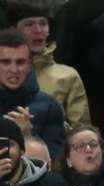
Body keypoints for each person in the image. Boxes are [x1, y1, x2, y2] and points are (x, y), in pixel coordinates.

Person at [9, 2, 91, 130]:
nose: (38, 30)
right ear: (14, 31)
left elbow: (82, 134)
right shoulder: (3, 74)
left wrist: (52, 125)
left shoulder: (68, 76)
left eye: (43, 23)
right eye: (29, 24)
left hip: (53, 148)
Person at [0, 28, 65, 157]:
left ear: (30, 64)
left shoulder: (49, 106)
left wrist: (28, 137)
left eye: (20, 62)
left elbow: (54, 162)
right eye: (6, 62)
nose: (14, 70)